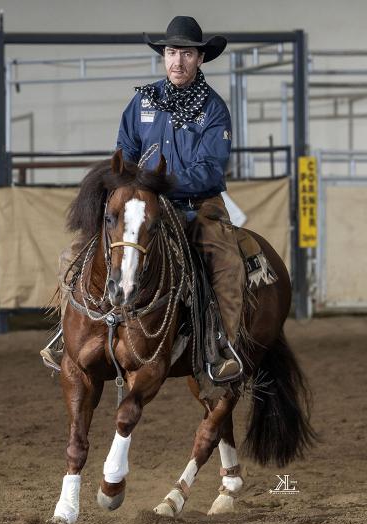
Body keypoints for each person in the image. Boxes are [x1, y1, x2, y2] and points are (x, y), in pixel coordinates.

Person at [42, 16, 245, 380]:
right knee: (75, 255)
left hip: (196, 206)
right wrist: (134, 189)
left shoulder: (213, 110)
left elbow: (211, 171)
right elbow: (124, 153)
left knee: (225, 261)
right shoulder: (143, 102)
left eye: (185, 53)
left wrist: (158, 185)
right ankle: (66, 334)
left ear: (200, 58)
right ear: (163, 56)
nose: (177, 61)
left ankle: (221, 346)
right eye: (171, 52)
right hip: (141, 206)